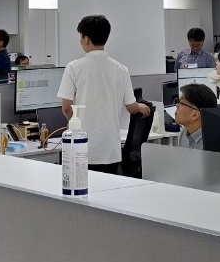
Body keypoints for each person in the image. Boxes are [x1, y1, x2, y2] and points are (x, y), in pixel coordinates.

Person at [57, 15, 150, 174]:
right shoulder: (121, 69)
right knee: (107, 188)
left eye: (81, 37)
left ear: (86, 39)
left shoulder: (73, 67)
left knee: (81, 187)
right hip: (110, 150)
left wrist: (74, 123)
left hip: (81, 147)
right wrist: (140, 107)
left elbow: (66, 108)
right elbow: (131, 107)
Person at [173, 84, 218, 150]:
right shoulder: (183, 133)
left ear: (195, 115)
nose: (177, 105)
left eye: (182, 103)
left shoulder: (212, 143)